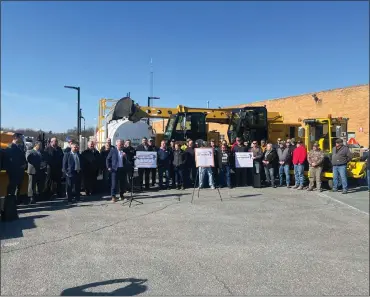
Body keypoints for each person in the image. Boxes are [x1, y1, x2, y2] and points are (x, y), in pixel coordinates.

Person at [4, 134, 27, 203]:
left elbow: (22, 157)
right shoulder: (10, 146)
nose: (21, 139)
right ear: (15, 138)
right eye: (20, 138)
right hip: (13, 171)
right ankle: (10, 202)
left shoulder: (20, 147)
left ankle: (16, 201)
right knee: (12, 187)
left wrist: (24, 164)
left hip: (20, 171)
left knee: (18, 186)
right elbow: (9, 159)